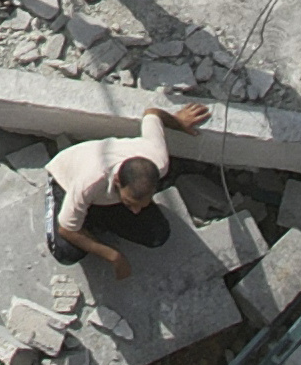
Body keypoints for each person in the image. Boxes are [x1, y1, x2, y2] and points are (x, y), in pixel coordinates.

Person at [45, 96, 212, 269]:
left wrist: (177, 121)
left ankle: (93, 217)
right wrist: (114, 256)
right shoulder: (89, 182)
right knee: (66, 252)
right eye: (130, 203)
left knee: (157, 235)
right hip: (65, 180)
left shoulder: (158, 160)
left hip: (104, 195)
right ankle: (85, 216)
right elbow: (66, 229)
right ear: (117, 181)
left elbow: (152, 114)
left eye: (141, 204)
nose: (135, 211)